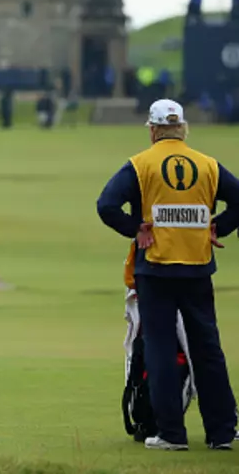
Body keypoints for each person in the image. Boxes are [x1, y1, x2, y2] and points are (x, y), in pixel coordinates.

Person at [96, 98, 239, 450]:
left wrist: (136, 229)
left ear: (153, 130)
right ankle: (222, 432)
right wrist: (218, 227)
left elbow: (106, 205)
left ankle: (171, 434)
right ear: (182, 128)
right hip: (197, 267)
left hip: (156, 268)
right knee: (207, 349)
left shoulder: (140, 165)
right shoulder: (207, 165)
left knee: (159, 349)